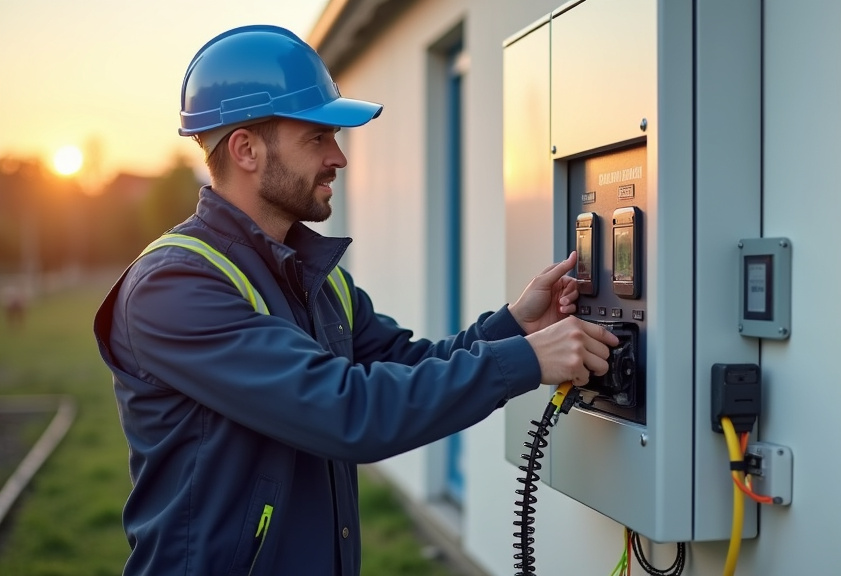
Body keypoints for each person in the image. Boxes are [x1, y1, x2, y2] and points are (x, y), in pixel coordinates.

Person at [93, 24, 618, 576]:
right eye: (317, 137)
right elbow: (348, 411)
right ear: (246, 150)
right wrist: (528, 362)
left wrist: (515, 327)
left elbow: (407, 367)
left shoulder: (316, 277)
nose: (338, 157)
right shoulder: (174, 287)